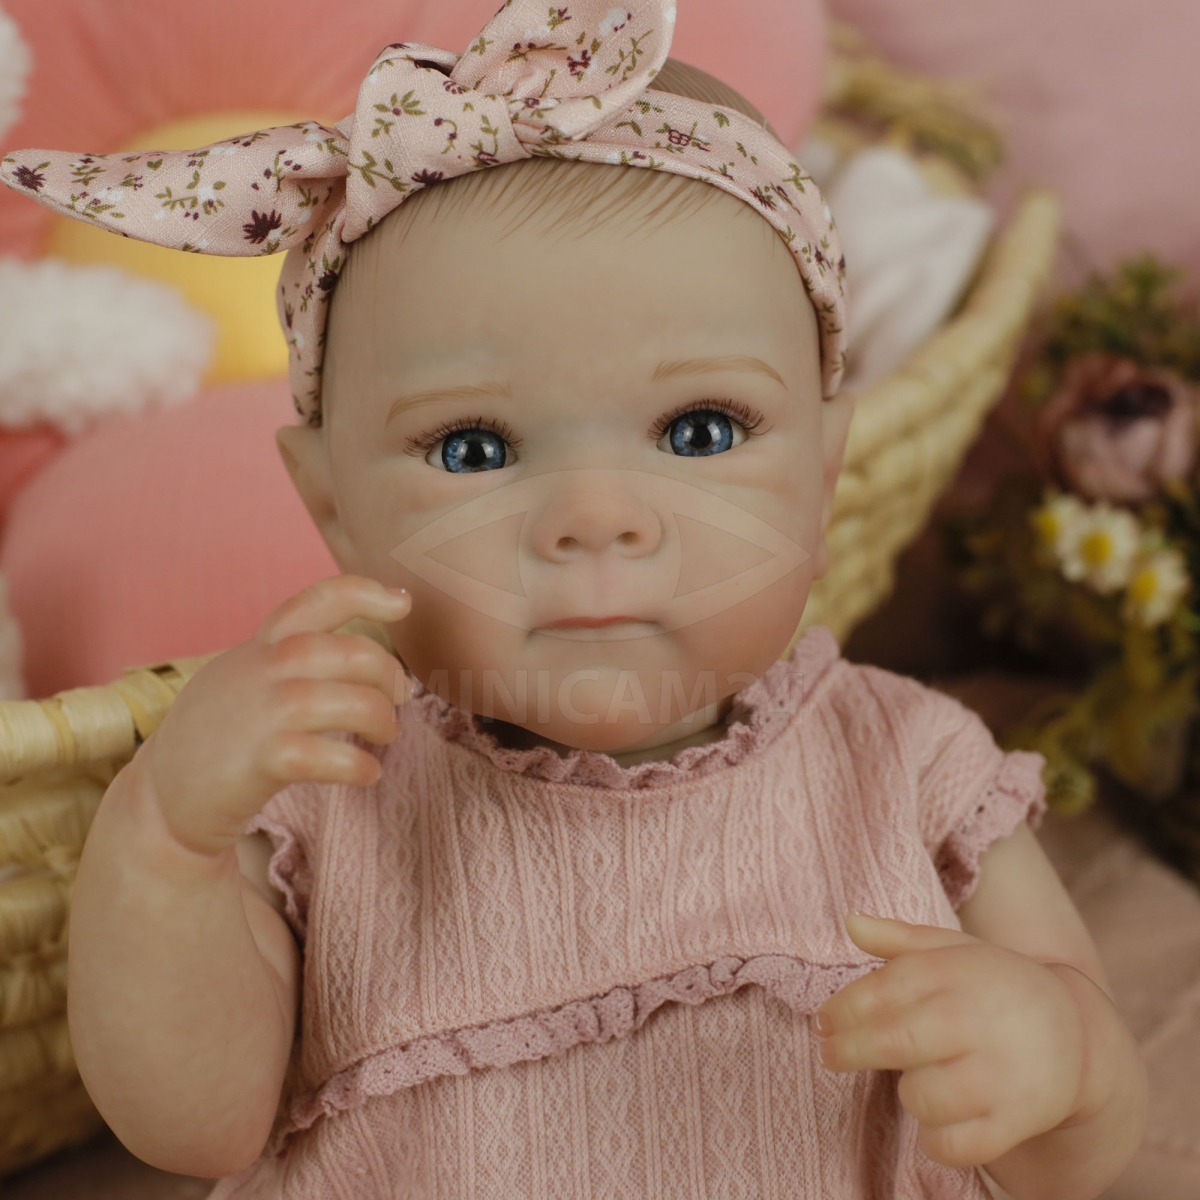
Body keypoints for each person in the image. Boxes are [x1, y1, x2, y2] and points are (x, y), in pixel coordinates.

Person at [1, 1, 1146, 1195]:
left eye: (700, 431)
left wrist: (1057, 1055)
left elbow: (1081, 1149)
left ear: (822, 475)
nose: (595, 517)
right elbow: (195, 1127)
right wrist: (167, 839)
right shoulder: (327, 793)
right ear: (333, 509)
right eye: (475, 450)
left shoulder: (910, 766)